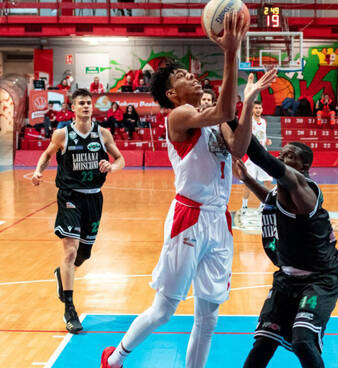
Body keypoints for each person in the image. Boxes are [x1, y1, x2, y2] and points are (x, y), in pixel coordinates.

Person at [99, 13, 275, 368]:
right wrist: (231, 50)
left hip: (219, 220)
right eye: (182, 76)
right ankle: (115, 358)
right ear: (172, 94)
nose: (192, 76)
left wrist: (250, 101)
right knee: (165, 310)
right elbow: (225, 106)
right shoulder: (177, 117)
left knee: (209, 317)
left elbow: (240, 148)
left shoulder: (217, 119)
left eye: (191, 73)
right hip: (189, 217)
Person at [236, 139, 338, 368]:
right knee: (263, 342)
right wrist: (247, 178)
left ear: (304, 165)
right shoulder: (283, 190)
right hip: (287, 278)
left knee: (303, 341)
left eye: (289, 156)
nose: (281, 158)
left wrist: (235, 121)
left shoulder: (302, 187)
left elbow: (262, 157)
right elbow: (271, 200)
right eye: (281, 153)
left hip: (319, 280)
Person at [31, 88, 125, 334]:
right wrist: (38, 171)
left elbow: (121, 159)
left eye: (88, 102)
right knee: (70, 251)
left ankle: (62, 274)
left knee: (84, 255)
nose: (85, 106)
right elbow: (47, 154)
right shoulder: (62, 134)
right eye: (81, 103)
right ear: (72, 107)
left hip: (94, 199)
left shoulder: (103, 134)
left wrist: (111, 167)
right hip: (70, 197)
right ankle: (70, 309)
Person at [240, 101, 272, 213]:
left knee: (267, 180)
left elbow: (262, 135)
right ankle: (244, 206)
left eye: (259, 108)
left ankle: (264, 204)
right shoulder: (248, 121)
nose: (258, 110)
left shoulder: (264, 122)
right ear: (252, 110)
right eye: (256, 108)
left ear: (262, 109)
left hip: (263, 154)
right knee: (249, 182)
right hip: (251, 156)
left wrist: (267, 141)